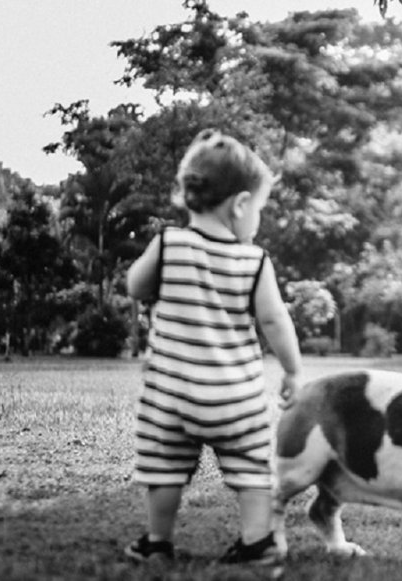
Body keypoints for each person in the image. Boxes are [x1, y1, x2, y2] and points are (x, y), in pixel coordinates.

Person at [122, 129, 301, 565]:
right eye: (258, 209)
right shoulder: (253, 261)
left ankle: (158, 541)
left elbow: (135, 286)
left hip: (172, 397)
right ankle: (258, 541)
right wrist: (293, 371)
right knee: (252, 471)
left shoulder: (168, 243)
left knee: (164, 470)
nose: (256, 220)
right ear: (240, 205)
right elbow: (274, 320)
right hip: (235, 398)